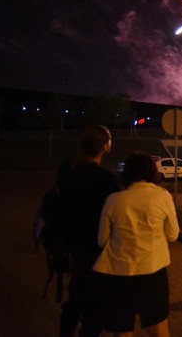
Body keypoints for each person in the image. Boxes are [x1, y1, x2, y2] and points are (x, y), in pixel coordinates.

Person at [93, 152, 179, 337]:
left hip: (119, 274)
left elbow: (102, 240)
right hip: (153, 272)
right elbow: (173, 235)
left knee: (122, 329)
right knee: (158, 327)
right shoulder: (163, 197)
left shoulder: (114, 200)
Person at [57, 124, 121, 337]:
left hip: (73, 248)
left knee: (75, 300)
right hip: (97, 251)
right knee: (95, 310)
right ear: (105, 146)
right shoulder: (107, 180)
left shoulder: (66, 170)